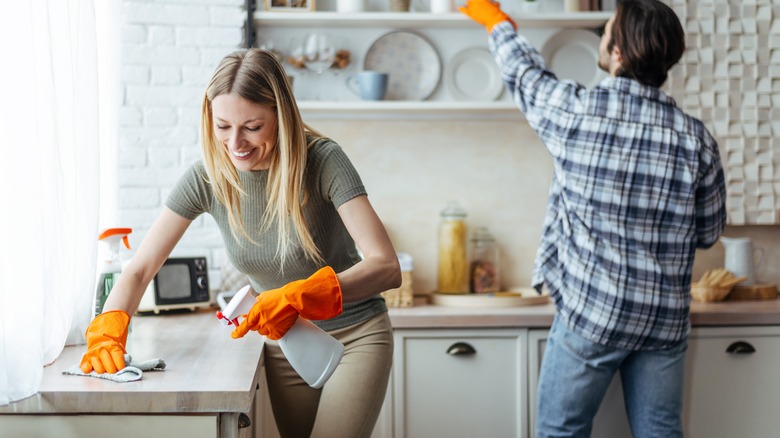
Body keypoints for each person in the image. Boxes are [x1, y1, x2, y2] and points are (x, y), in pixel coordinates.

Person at [79, 48, 402, 437]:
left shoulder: (323, 161)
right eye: (222, 126)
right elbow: (140, 268)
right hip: (285, 345)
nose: (236, 143)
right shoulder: (208, 178)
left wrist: (298, 296)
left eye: (252, 126)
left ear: (281, 117)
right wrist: (107, 330)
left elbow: (386, 266)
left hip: (356, 336)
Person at [460, 1, 726, 437]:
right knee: (661, 432)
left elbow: (525, 74)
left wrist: (496, 22)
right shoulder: (696, 138)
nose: (602, 36)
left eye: (607, 30)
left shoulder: (576, 112)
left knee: (560, 432)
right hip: (663, 319)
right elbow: (708, 232)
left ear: (618, 53)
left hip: (593, 314)